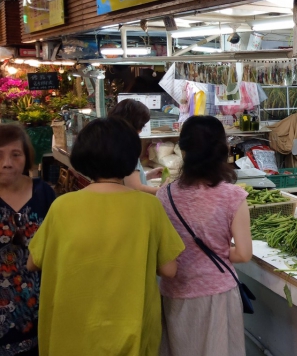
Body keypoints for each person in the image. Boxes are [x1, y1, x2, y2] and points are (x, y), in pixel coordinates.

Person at [26, 118, 185, 356]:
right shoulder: (148, 207)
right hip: (131, 332)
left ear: (82, 157)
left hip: (71, 335)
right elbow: (169, 269)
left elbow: (33, 262)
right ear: (130, 157)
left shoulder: (63, 206)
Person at [155, 116, 252, 356]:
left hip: (175, 294)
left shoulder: (164, 195)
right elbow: (243, 253)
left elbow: (163, 251)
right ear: (222, 149)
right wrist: (219, 249)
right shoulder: (233, 196)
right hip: (217, 295)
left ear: (183, 150)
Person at [0, 125, 56, 356]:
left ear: (26, 157)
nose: (7, 163)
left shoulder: (44, 193)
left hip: (39, 302)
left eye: (16, 154)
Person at [108, 99, 163, 194]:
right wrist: (162, 191)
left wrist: (147, 175)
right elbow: (135, 187)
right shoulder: (128, 148)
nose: (141, 131)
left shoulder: (112, 143)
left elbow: (126, 180)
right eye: (141, 126)